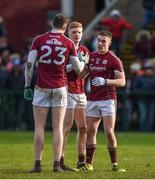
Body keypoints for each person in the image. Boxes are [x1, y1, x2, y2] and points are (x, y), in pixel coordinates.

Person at [24, 13, 83, 173]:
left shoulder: (39, 39)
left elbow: (30, 64)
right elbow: (78, 69)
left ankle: (37, 165)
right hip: (60, 87)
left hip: (41, 87)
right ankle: (57, 164)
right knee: (58, 128)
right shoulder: (68, 42)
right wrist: (82, 64)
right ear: (66, 26)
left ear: (52, 23)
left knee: (39, 128)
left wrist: (26, 86)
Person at [79, 30, 126, 172]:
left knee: (108, 131)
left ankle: (115, 164)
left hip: (108, 99)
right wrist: (79, 63)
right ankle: (89, 164)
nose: (100, 43)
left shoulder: (114, 59)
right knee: (91, 131)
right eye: (98, 40)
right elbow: (81, 74)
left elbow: (122, 81)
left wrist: (105, 81)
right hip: (92, 99)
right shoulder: (91, 57)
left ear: (109, 43)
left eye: (103, 41)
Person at [59, 21, 90, 171]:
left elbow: (83, 74)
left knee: (83, 127)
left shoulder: (84, 50)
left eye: (79, 32)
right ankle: (60, 160)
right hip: (68, 91)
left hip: (81, 92)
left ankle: (81, 161)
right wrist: (76, 63)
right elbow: (61, 70)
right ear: (68, 33)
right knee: (66, 127)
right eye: (74, 32)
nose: (77, 35)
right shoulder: (64, 49)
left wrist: (87, 66)